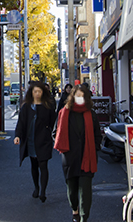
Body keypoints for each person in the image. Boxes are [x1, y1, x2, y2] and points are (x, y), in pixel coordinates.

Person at [54, 84, 102, 222]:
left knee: (85, 190)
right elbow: (55, 133)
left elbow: (97, 134)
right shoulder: (64, 113)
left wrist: (95, 147)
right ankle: (74, 209)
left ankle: (83, 217)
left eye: (82, 96)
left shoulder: (91, 114)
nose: (80, 98)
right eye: (77, 96)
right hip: (70, 157)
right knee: (72, 190)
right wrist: (63, 145)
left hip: (88, 156)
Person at [14, 81, 57, 203]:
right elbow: (21, 123)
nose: (37, 94)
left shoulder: (47, 106)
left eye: (39, 91)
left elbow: (53, 122)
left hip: (43, 140)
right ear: (31, 93)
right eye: (35, 91)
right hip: (30, 139)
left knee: (43, 165)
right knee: (34, 165)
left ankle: (43, 191)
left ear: (43, 93)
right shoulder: (26, 107)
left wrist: (51, 133)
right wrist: (17, 136)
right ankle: (36, 187)